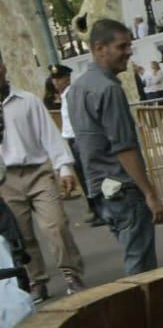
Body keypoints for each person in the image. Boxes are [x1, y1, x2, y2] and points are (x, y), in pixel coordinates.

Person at [68, 19, 163, 275]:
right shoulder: (108, 89)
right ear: (100, 48)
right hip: (123, 190)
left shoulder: (77, 88)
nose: (129, 52)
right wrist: (150, 193)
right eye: (122, 46)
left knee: (134, 258)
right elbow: (124, 148)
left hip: (102, 192)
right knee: (142, 268)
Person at [0, 51, 86, 301]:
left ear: (4, 67)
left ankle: (72, 274)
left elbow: (50, 135)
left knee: (55, 225)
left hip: (38, 173)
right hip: (6, 180)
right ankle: (36, 280)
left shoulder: (27, 101)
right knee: (22, 234)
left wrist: (64, 167)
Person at [50, 65, 104, 226]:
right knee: (83, 177)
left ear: (67, 78)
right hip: (71, 140)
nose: (56, 82)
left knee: (90, 177)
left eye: (59, 78)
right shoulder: (65, 95)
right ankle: (94, 209)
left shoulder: (72, 94)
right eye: (54, 79)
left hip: (79, 139)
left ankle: (101, 210)